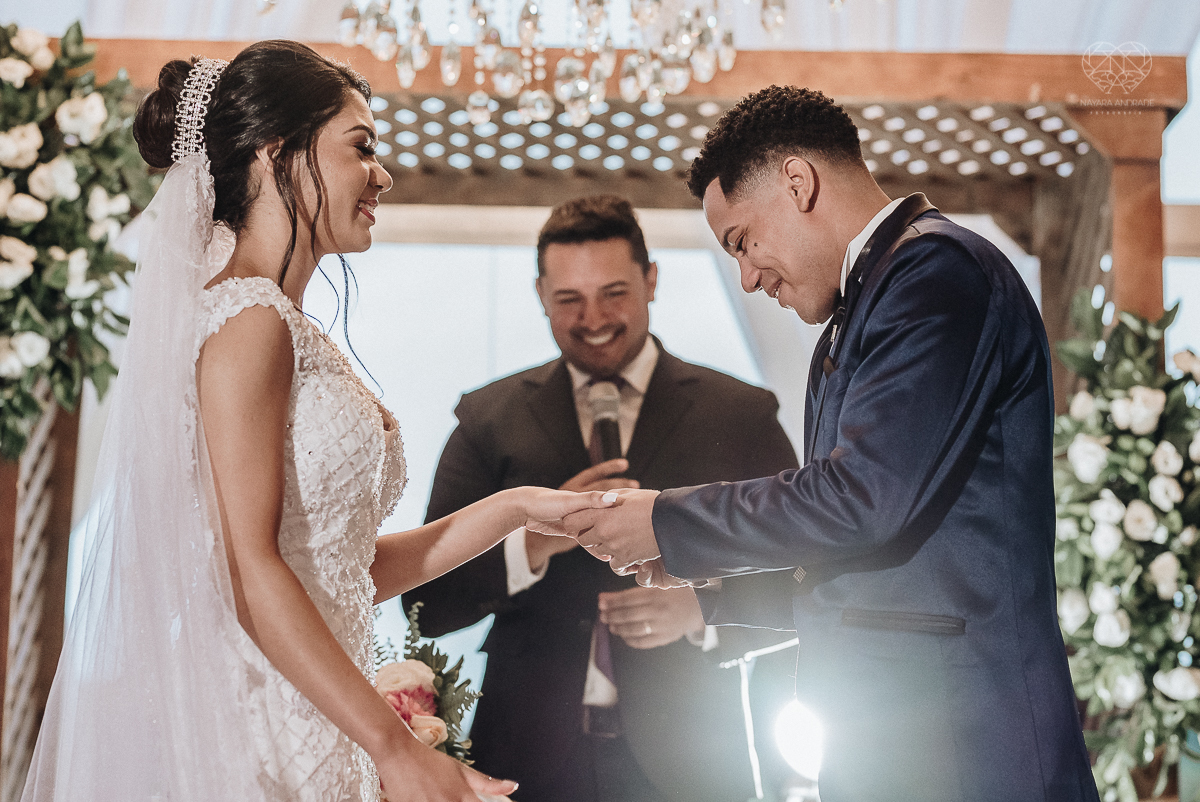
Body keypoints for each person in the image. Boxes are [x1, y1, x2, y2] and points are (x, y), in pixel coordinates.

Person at [21, 41, 614, 802]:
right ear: (276, 152)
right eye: (361, 147)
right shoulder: (248, 321)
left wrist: (519, 507)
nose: (383, 175)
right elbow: (246, 569)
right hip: (262, 725)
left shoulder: (288, 326)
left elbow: (344, 571)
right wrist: (394, 749)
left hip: (318, 712)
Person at [538, 87, 1101, 802]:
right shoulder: (854, 315)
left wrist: (662, 518)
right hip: (899, 745)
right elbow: (861, 560)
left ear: (798, 183)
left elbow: (859, 499)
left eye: (742, 241)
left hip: (967, 744)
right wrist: (707, 596)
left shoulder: (936, 273)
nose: (746, 276)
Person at [405, 195, 800, 802]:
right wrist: (532, 543)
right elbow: (425, 605)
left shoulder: (740, 415)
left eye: (614, 292)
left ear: (652, 280)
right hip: (522, 755)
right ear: (540, 295)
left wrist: (701, 611)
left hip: (692, 762)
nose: (594, 318)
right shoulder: (486, 418)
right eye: (569, 299)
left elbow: (804, 578)